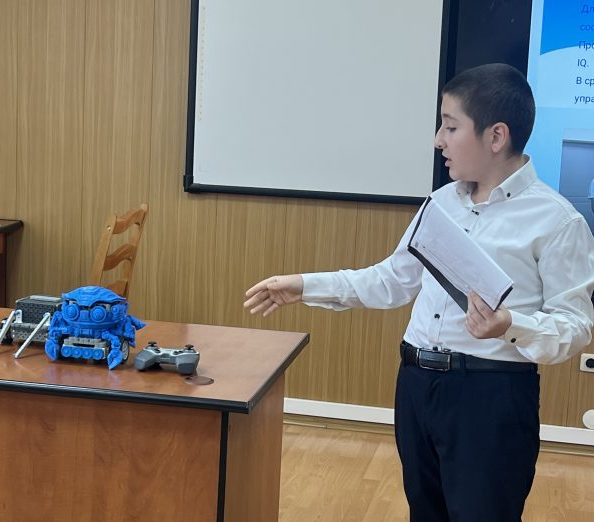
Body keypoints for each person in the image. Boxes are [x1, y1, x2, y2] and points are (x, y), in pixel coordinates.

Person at [243, 63, 594, 522]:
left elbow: (575, 327)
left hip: (489, 397)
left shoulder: (557, 221)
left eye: (450, 127)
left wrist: (510, 325)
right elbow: (392, 280)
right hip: (416, 386)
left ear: (496, 136)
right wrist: (305, 286)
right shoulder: (441, 202)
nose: (437, 140)